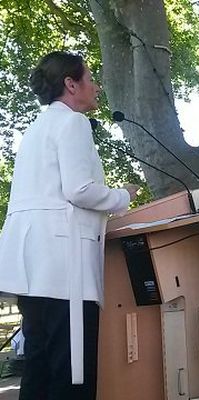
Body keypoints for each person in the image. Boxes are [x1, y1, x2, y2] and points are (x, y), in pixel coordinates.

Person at [0, 51, 137, 400]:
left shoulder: (34, 130)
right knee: (70, 375)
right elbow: (79, 190)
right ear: (70, 84)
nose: (96, 86)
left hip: (31, 268)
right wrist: (122, 195)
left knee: (39, 368)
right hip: (65, 269)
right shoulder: (73, 123)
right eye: (90, 79)